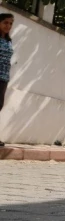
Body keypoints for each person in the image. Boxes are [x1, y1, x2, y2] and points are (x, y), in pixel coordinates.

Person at [0, 13, 14, 147]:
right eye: (5, 22)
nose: (8, 26)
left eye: (10, 23)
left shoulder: (8, 41)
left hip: (3, 77)